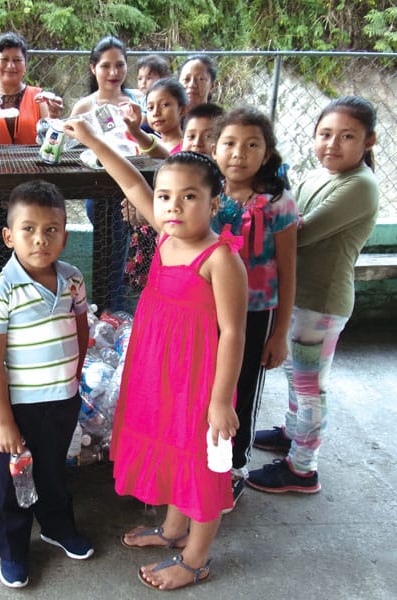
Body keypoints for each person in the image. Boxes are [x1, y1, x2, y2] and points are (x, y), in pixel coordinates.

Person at [66, 117, 247, 590]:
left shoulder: (221, 259)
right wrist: (90, 138)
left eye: (190, 196)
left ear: (215, 201)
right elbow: (128, 177)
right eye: (165, 196)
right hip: (157, 374)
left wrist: (222, 400)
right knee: (173, 450)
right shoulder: (165, 238)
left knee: (203, 466)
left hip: (201, 383)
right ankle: (172, 529)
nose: (173, 206)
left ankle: (196, 559)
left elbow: (232, 333)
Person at [247, 96, 379, 493]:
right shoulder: (318, 175)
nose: (332, 144)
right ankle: (291, 434)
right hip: (300, 296)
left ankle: (303, 468)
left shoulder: (359, 186)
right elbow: (287, 217)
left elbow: (297, 233)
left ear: (368, 141)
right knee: (295, 375)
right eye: (325, 134)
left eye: (347, 136)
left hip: (321, 303)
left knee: (309, 386)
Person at [0, 180, 93, 588]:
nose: (40, 239)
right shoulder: (0, 290)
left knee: (51, 471)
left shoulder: (73, 279)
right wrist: (5, 420)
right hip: (19, 408)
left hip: (62, 400)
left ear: (65, 233)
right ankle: (12, 549)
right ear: (9, 236)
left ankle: (56, 526)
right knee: (11, 480)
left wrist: (75, 376)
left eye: (51, 229)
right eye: (28, 229)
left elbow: (81, 328)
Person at [211, 106, 298, 508]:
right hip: (206, 309)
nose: (238, 154)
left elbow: (287, 270)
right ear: (214, 148)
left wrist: (279, 333)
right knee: (206, 387)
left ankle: (233, 468)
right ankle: (203, 460)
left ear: (266, 154)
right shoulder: (207, 196)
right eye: (229, 143)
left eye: (251, 145)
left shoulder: (278, 204)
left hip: (254, 313)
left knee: (241, 391)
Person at [0, 32, 64, 280]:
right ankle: (1, 307)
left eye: (17, 60)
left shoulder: (38, 96)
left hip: (33, 186)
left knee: (36, 254)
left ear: (26, 64)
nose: (11, 65)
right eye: (4, 59)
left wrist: (54, 118)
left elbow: (49, 137)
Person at [71, 35, 140, 311]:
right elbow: (69, 150)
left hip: (132, 193)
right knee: (109, 254)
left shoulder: (136, 102)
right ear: (93, 68)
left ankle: (111, 309)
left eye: (120, 65)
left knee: (121, 256)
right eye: (106, 66)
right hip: (98, 194)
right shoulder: (84, 106)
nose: (114, 73)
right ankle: (111, 309)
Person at [120, 78, 187, 295]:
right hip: (144, 229)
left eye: (165, 105)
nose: (156, 112)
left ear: (182, 109)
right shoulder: (144, 145)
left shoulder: (186, 146)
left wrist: (137, 132)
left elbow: (166, 158)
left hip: (168, 230)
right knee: (147, 289)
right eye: (150, 107)